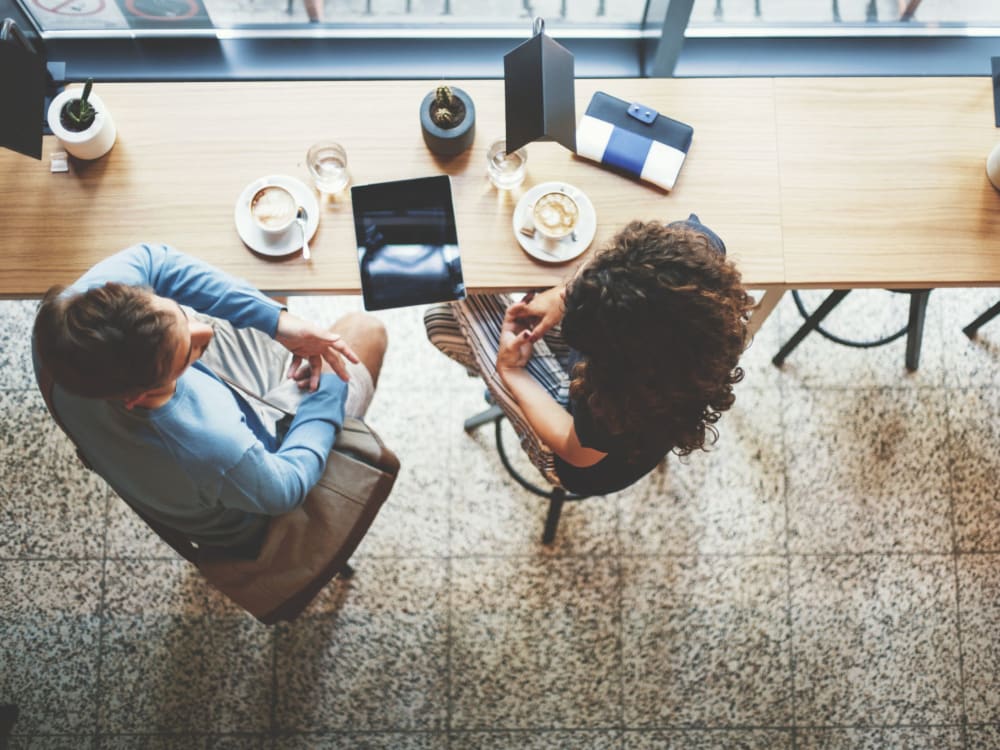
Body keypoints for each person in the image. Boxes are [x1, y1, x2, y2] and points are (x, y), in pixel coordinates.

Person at [32, 243, 387, 557]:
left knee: (267, 274)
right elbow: (285, 490)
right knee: (365, 330)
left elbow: (155, 261)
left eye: (177, 311)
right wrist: (326, 387)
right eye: (189, 351)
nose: (208, 331)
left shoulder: (64, 329)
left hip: (195, 458)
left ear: (122, 291)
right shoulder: (214, 446)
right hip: (250, 501)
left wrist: (277, 321)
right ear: (138, 395)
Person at [425, 215, 753, 496]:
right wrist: (564, 295)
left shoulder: (612, 403)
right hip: (631, 417)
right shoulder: (695, 288)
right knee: (472, 305)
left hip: (579, 463)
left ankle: (498, 384)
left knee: (440, 319)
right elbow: (649, 262)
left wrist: (511, 372)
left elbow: (574, 450)